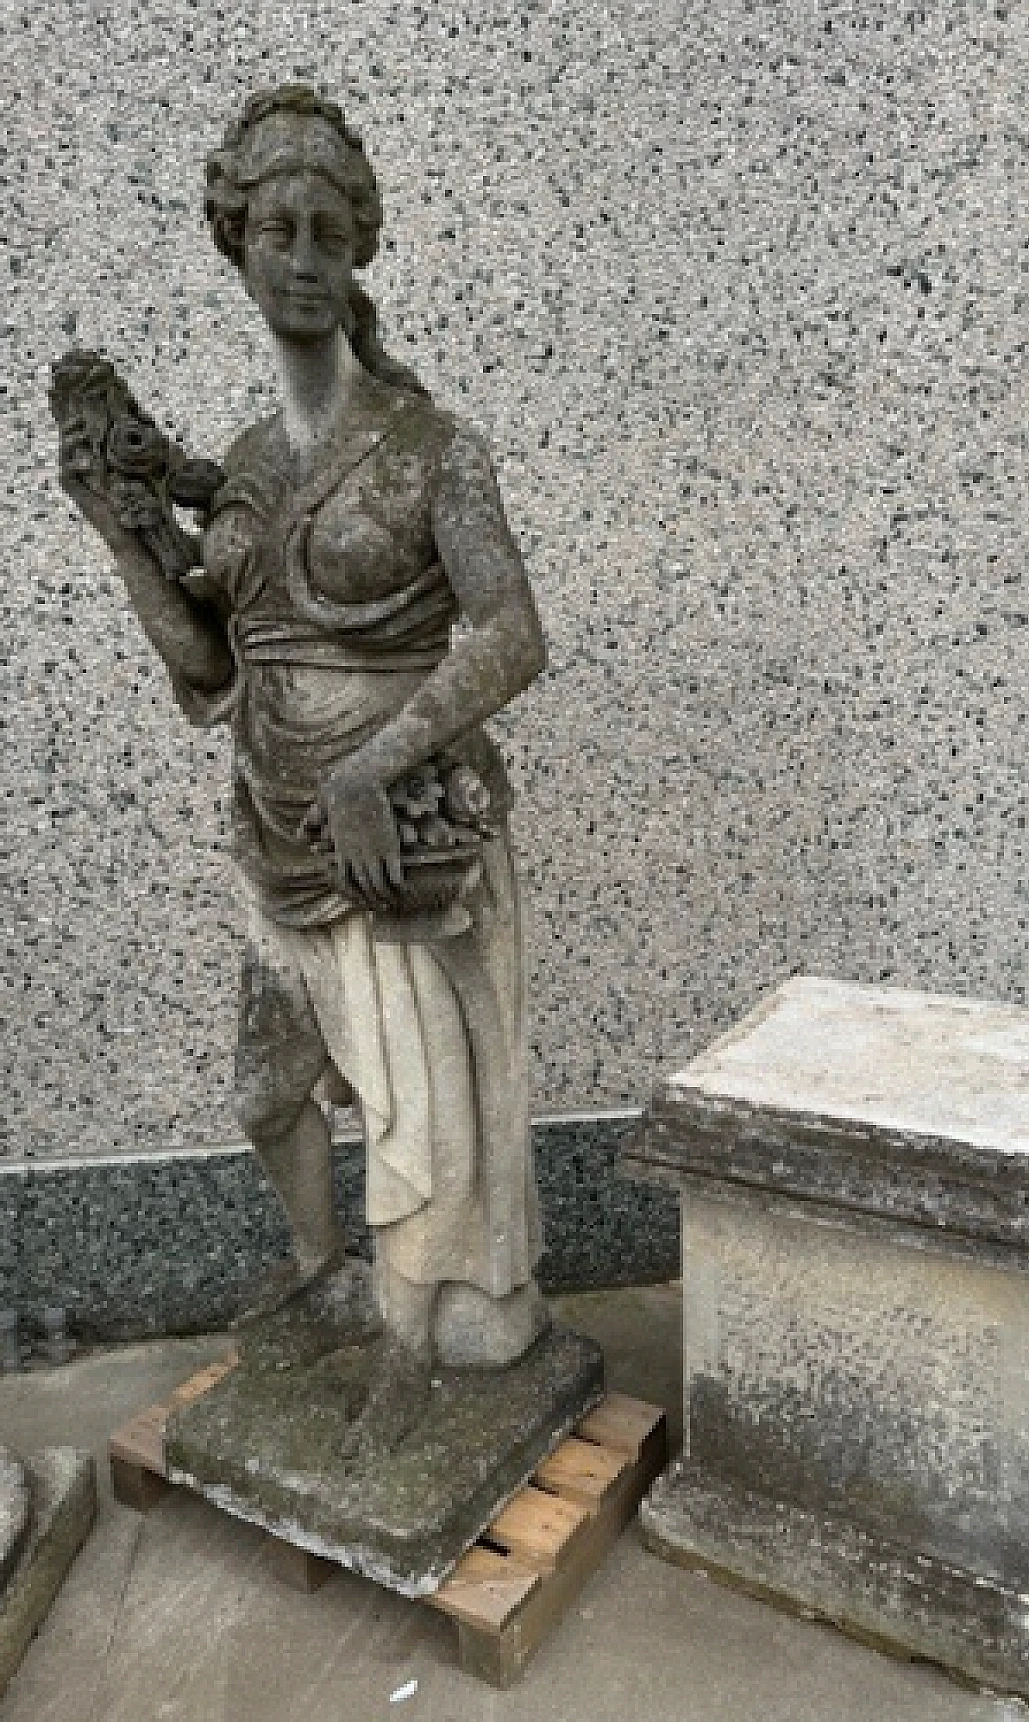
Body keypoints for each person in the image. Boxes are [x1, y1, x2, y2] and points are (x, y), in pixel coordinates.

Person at [56, 85, 548, 1458]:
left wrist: (375, 761)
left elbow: (514, 633)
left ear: (361, 252)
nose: (306, 256)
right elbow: (210, 672)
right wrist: (121, 529)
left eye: (333, 230)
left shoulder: (433, 447)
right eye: (278, 227)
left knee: (415, 1120)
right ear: (237, 242)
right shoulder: (256, 463)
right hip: (273, 822)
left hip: (394, 832)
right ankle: (327, 1277)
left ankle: (421, 1342)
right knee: (269, 1093)